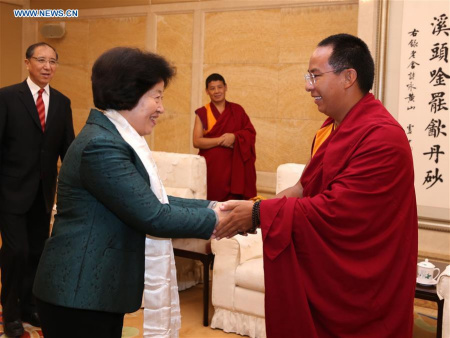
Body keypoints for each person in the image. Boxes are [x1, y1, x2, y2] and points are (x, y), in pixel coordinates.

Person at [214, 34, 418, 338]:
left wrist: (258, 214)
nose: (308, 85)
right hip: (331, 272)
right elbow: (301, 189)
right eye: (308, 76)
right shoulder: (331, 128)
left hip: (363, 286)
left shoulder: (382, 137)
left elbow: (338, 211)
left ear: (349, 77)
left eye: (315, 76)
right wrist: (250, 210)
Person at [32, 47, 227, 338]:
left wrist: (215, 206)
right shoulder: (103, 146)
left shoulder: (113, 138)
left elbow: (147, 199)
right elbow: (154, 215)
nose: (161, 107)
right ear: (127, 94)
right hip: (78, 294)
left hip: (94, 293)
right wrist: (224, 220)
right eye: (157, 96)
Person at [0, 42, 75, 337]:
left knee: (36, 253)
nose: (47, 66)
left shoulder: (62, 102)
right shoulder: (6, 97)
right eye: (41, 60)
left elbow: (67, 149)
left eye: (53, 62)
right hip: (9, 191)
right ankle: (11, 312)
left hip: (43, 193)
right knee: (16, 251)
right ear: (27, 63)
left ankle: (30, 305)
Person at [193, 73, 257, 202]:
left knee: (235, 207)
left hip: (236, 169)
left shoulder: (237, 110)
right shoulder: (202, 112)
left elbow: (250, 133)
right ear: (207, 91)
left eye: (219, 87)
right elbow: (197, 141)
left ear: (225, 87)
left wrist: (234, 137)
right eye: (212, 88)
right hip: (213, 170)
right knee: (214, 205)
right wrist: (221, 140)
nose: (217, 91)